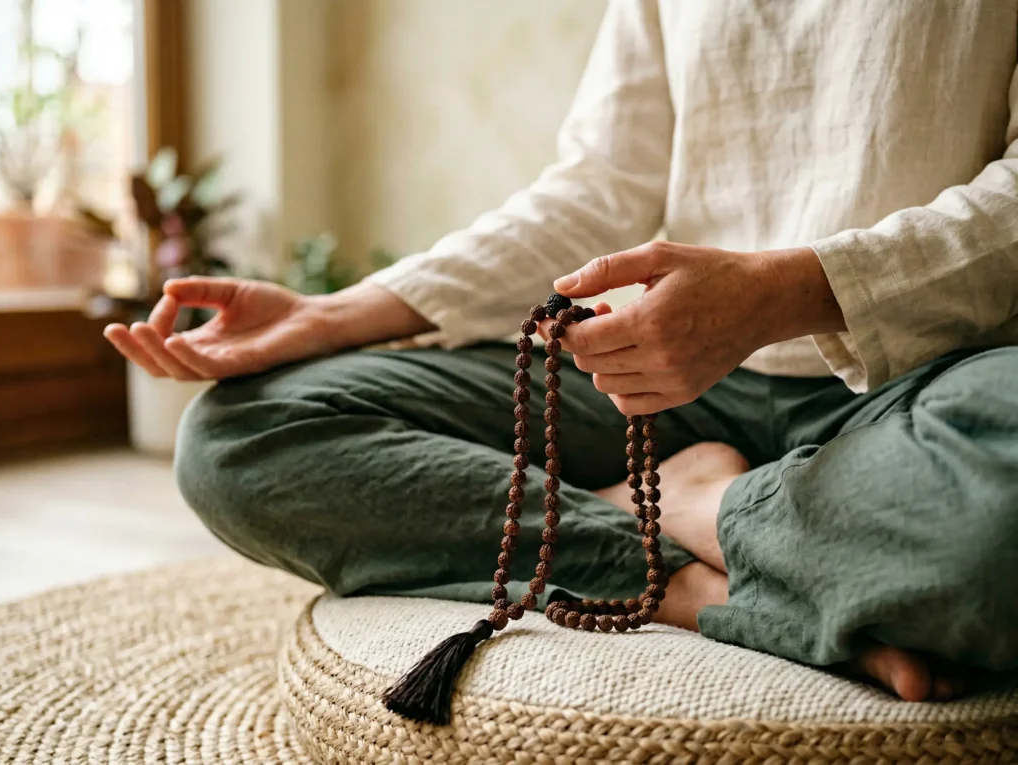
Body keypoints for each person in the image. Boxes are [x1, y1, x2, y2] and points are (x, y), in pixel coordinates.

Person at [106, 1, 1018, 703]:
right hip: (674, 393)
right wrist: (338, 312)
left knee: (995, 521)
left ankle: (708, 501)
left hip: (931, 384)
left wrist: (784, 289)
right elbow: (596, 188)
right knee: (239, 435)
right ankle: (681, 580)